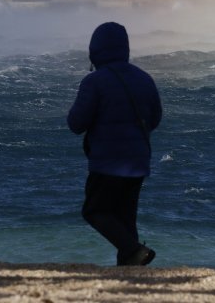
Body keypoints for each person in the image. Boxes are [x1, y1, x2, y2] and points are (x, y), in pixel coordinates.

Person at [67, 21, 162, 266]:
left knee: (95, 211)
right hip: (139, 161)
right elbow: (155, 117)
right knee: (125, 219)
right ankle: (130, 272)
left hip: (108, 161)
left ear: (95, 51)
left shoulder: (94, 81)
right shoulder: (144, 78)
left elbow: (76, 123)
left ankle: (136, 251)